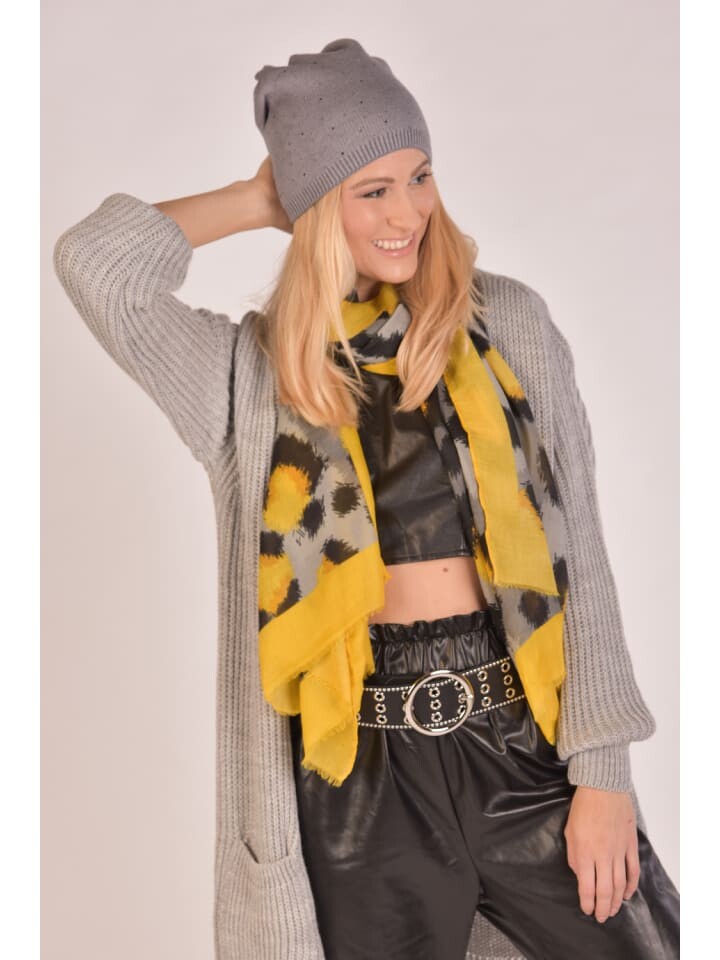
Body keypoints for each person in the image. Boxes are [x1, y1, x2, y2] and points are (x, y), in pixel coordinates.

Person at [53, 36, 679, 960]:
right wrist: (261, 197)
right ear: (314, 209)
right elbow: (96, 266)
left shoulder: (508, 325)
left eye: (419, 177)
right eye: (370, 190)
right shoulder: (252, 378)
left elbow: (578, 552)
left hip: (521, 743)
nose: (408, 212)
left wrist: (604, 773)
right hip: (358, 779)